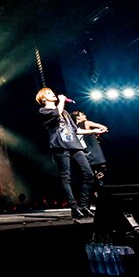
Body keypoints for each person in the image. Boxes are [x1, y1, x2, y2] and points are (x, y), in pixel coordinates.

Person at [35, 87, 95, 219]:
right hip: (60, 146)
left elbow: (76, 130)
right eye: (49, 93)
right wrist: (61, 101)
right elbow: (56, 113)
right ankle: (74, 207)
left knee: (89, 174)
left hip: (74, 145)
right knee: (66, 177)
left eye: (52, 92)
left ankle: (83, 205)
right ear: (43, 99)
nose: (53, 94)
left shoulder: (65, 112)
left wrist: (94, 130)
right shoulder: (44, 111)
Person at [71, 110, 109, 206]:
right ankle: (100, 202)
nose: (85, 115)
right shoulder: (86, 123)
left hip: (84, 155)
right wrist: (99, 132)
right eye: (82, 114)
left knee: (89, 179)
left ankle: (88, 203)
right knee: (99, 179)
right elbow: (103, 127)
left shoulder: (73, 127)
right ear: (78, 117)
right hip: (95, 155)